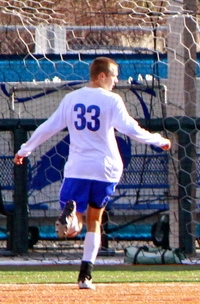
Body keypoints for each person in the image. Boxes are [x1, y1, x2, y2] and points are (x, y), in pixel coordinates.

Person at [13, 57, 171, 289]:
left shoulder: (71, 98)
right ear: (101, 76)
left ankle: (71, 215)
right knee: (95, 220)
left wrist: (25, 149)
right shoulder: (111, 100)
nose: (116, 81)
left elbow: (49, 126)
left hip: (78, 166)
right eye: (114, 75)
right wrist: (158, 140)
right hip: (106, 167)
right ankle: (85, 275)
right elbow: (129, 128)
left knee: (75, 221)